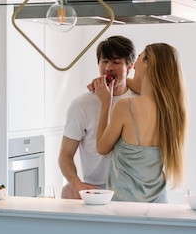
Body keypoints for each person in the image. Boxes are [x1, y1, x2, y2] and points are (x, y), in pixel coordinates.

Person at [95, 43, 187, 203]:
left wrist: (105, 103)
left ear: (148, 63)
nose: (135, 64)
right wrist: (120, 81)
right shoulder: (173, 110)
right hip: (159, 205)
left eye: (139, 58)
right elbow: (147, 88)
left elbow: (102, 148)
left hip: (125, 208)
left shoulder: (126, 107)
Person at [58, 36, 138, 199]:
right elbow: (65, 155)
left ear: (129, 67)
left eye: (116, 62)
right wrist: (76, 183)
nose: (108, 67)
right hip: (96, 190)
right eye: (104, 61)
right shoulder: (81, 105)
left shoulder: (139, 102)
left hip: (132, 191)